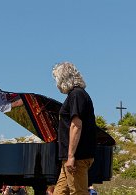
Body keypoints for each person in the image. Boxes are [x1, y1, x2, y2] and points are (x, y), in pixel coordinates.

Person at [51, 62, 96, 195]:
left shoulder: (76, 95)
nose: (56, 84)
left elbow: (76, 125)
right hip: (71, 158)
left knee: (78, 192)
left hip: (77, 157)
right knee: (59, 193)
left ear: (63, 78)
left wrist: (71, 156)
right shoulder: (76, 95)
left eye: (56, 79)